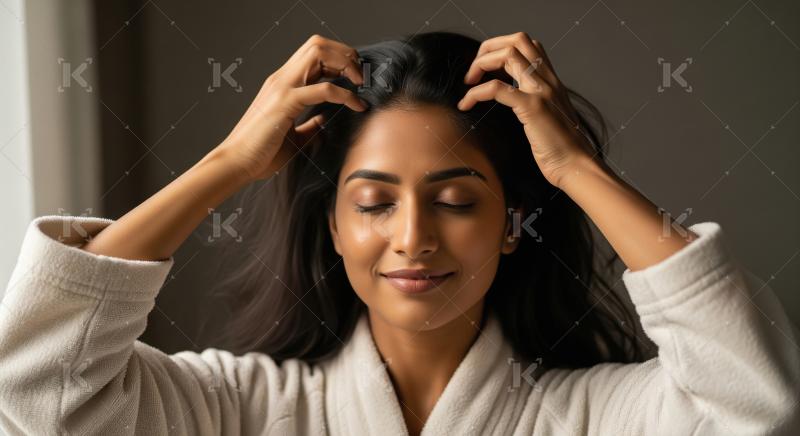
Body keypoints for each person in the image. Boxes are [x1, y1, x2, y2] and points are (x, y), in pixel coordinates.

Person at [0, 31, 797, 436]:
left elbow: (753, 409)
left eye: (456, 200)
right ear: (334, 227)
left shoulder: (595, 415)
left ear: (513, 223)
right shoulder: (235, 408)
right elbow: (40, 392)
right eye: (375, 203)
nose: (413, 237)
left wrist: (575, 168)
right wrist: (231, 162)